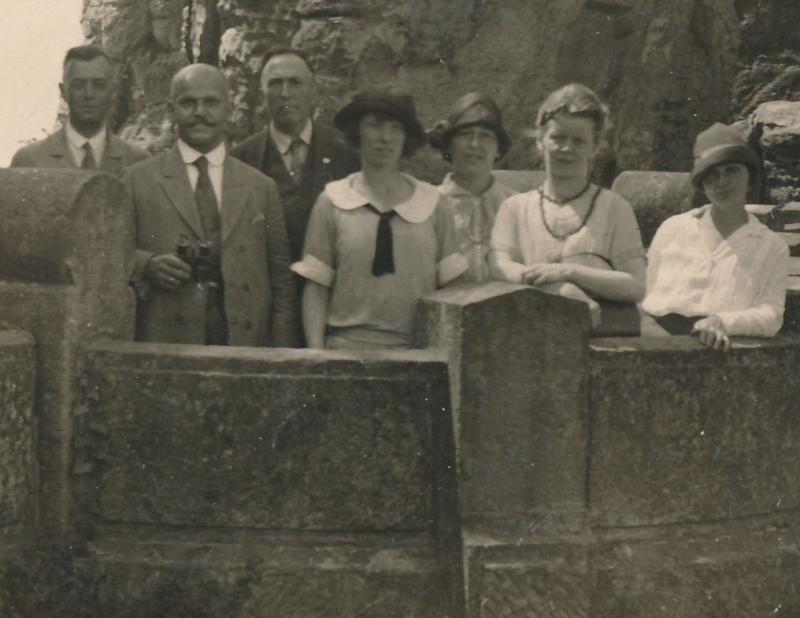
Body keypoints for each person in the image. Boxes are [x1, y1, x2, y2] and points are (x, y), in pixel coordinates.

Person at [123, 63, 297, 347]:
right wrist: (146, 264)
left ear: (228, 109)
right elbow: (111, 258)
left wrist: (281, 361)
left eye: (211, 103)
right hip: (165, 346)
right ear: (171, 110)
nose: (200, 113)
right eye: (188, 102)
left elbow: (282, 285)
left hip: (242, 346)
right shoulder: (136, 180)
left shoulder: (260, 187)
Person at [292, 88, 468, 350]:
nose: (386, 138)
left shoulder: (434, 204)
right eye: (375, 126)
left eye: (396, 128)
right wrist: (318, 357)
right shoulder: (332, 202)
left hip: (419, 353)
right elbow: (316, 289)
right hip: (345, 352)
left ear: (406, 137)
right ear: (358, 133)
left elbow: (454, 291)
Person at [489, 83, 646, 329]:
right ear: (540, 141)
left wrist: (570, 272)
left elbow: (636, 285)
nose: (566, 149)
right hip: (528, 334)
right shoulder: (514, 208)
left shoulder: (616, 208)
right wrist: (561, 290)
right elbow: (499, 268)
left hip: (602, 337)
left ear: (594, 147)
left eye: (579, 141)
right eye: (558, 138)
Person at [641, 122, 789, 350]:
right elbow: (646, 293)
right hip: (656, 343)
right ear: (701, 183)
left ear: (749, 174)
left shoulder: (771, 246)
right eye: (712, 174)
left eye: (732, 170)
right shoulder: (673, 229)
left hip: (719, 350)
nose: (722, 182)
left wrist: (722, 321)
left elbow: (771, 315)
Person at [230, 49, 359, 263]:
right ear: (262, 96)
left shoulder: (346, 154)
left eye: (295, 83)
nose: (285, 93)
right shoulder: (241, 159)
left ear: (313, 92)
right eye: (275, 83)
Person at [11, 45, 148, 173]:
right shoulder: (29, 161)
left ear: (113, 92)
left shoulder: (137, 162)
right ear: (63, 91)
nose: (88, 94)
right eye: (78, 85)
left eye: (99, 85)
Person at [431, 92, 518, 282]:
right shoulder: (429, 205)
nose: (474, 144)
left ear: (498, 149)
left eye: (485, 136)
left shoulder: (517, 206)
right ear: (448, 146)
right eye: (465, 135)